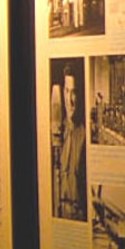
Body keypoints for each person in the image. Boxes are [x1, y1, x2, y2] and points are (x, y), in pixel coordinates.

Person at [55, 68, 87, 221]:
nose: (70, 99)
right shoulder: (58, 132)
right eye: (67, 91)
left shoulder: (85, 134)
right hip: (59, 214)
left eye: (74, 92)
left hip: (78, 215)